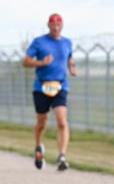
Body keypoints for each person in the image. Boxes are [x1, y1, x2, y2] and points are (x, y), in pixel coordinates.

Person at [23, 13, 77, 171]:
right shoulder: (39, 42)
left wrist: (72, 67)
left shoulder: (67, 42)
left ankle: (62, 156)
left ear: (62, 26)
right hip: (41, 86)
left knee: (61, 120)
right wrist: (41, 62)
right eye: (53, 25)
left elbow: (70, 58)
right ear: (48, 25)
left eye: (59, 25)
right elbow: (25, 61)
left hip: (60, 85)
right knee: (42, 122)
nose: (56, 28)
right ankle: (38, 146)